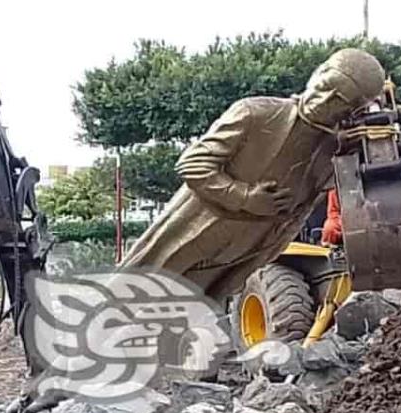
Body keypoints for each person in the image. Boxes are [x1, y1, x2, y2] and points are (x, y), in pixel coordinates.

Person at [122, 48, 385, 298]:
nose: (324, 101)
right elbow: (193, 164)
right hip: (193, 232)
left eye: (340, 101)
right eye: (327, 86)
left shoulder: (332, 150)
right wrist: (246, 198)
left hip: (242, 252)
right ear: (317, 73)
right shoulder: (256, 113)